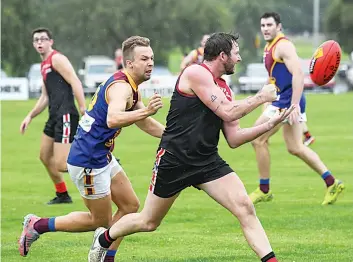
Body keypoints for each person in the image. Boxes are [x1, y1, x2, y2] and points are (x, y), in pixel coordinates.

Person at [88, 32, 295, 262]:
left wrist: (269, 123)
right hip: (174, 159)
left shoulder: (225, 89)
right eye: (236, 53)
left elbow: (234, 139)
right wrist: (260, 98)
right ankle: (104, 239)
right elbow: (227, 111)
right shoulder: (195, 73)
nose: (239, 59)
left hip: (207, 161)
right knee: (148, 221)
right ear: (222, 55)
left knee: (245, 207)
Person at [18, 36, 166, 262]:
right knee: (99, 221)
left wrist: (172, 137)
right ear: (129, 64)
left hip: (102, 155)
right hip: (87, 160)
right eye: (144, 58)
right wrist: (146, 111)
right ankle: (37, 225)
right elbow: (113, 118)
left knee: (130, 206)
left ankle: (106, 257)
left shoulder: (131, 86)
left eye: (152, 58)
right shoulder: (121, 87)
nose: (150, 63)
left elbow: (141, 122)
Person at [249, 12, 344, 205]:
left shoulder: (284, 45)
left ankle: (264, 189)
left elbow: (298, 74)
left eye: (269, 25)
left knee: (258, 140)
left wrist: (293, 106)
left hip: (287, 102)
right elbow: (274, 78)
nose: (265, 28)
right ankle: (331, 182)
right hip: (284, 100)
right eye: (263, 25)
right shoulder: (269, 47)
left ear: (279, 26)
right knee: (295, 147)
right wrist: (263, 98)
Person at [19, 27, 86, 204]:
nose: (39, 42)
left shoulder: (57, 58)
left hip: (65, 115)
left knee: (62, 164)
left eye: (43, 39)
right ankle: (62, 195)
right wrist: (30, 116)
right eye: (36, 40)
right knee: (44, 156)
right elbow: (44, 97)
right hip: (54, 115)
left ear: (51, 41)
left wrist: (82, 108)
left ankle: (100, 160)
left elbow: (75, 81)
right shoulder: (44, 65)